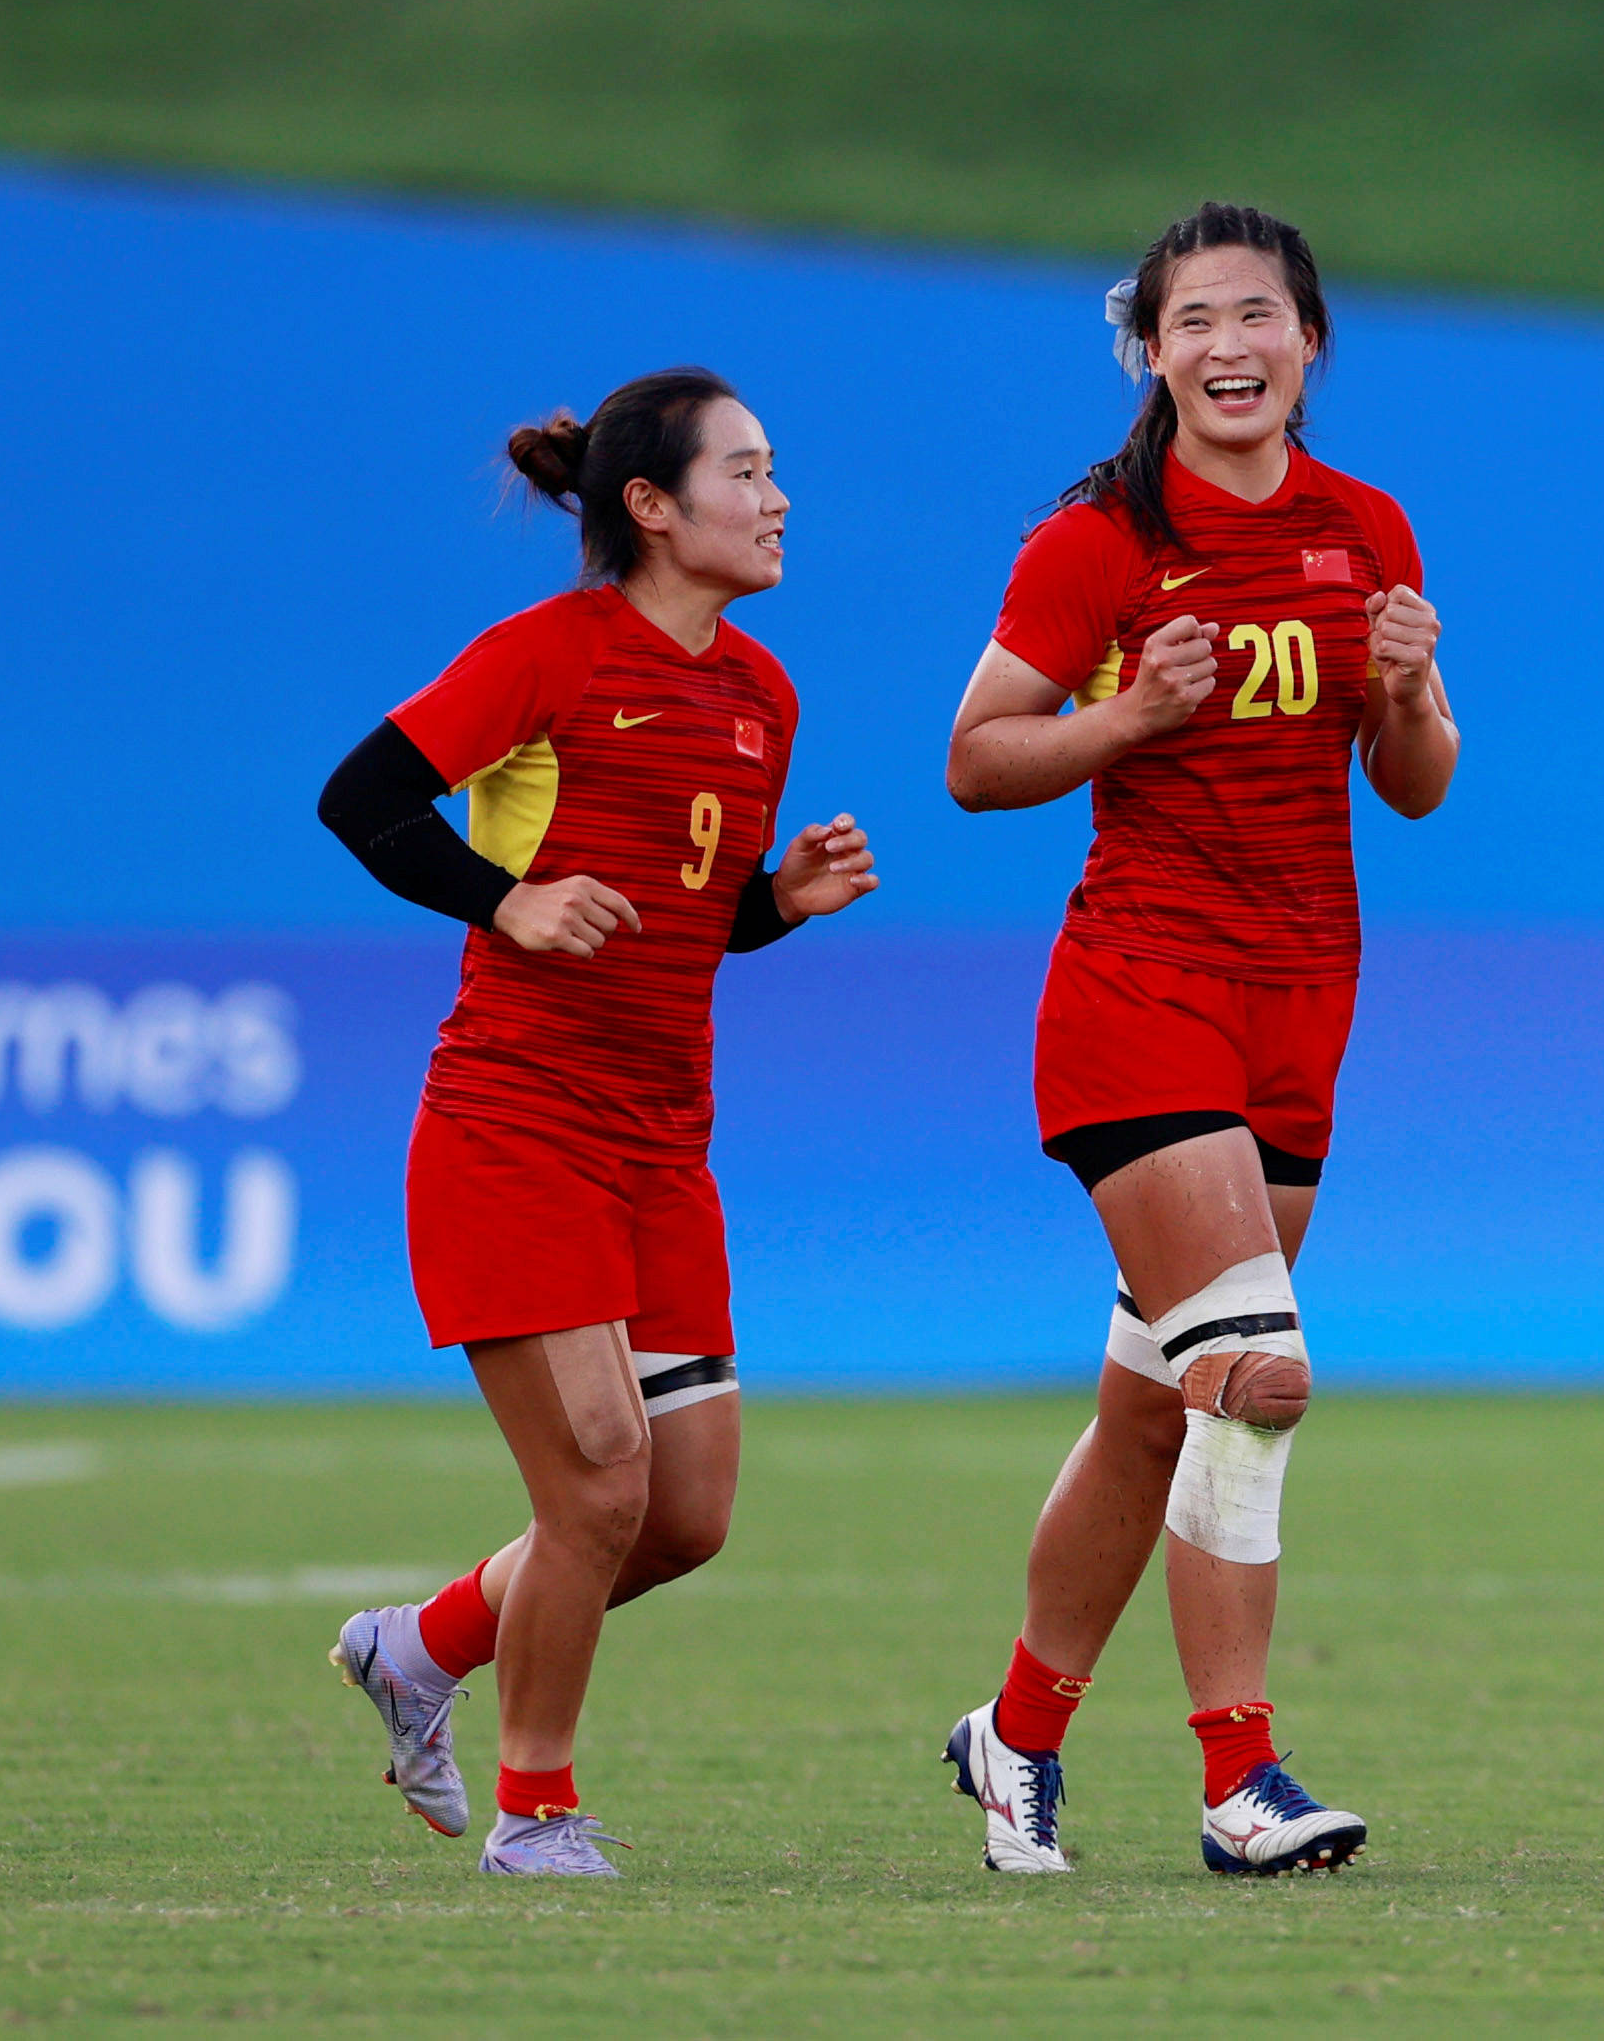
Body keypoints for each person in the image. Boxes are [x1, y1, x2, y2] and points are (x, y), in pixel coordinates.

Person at [932, 202, 1455, 1879]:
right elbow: (977, 755)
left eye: (1260, 314)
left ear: (1310, 342)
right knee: (1258, 1376)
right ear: (1147, 352)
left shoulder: (1365, 525)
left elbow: (1415, 783)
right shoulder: (1095, 540)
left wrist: (1410, 695)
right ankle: (1242, 1779)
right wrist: (1129, 717)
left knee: (1159, 1406)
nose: (1229, 344)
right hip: (1139, 992)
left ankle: (1011, 1734)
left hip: (1300, 1010)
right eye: (1194, 320)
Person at [310, 371, 878, 1878]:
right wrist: (506, 895)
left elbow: (679, 920)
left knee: (680, 1518)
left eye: (773, 471)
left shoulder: (762, 692)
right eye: (745, 471)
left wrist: (777, 905)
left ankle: (420, 1647)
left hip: (661, 1150)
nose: (774, 499)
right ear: (650, 504)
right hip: (515, 1124)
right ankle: (534, 1813)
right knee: (598, 1483)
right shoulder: (545, 656)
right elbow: (359, 797)